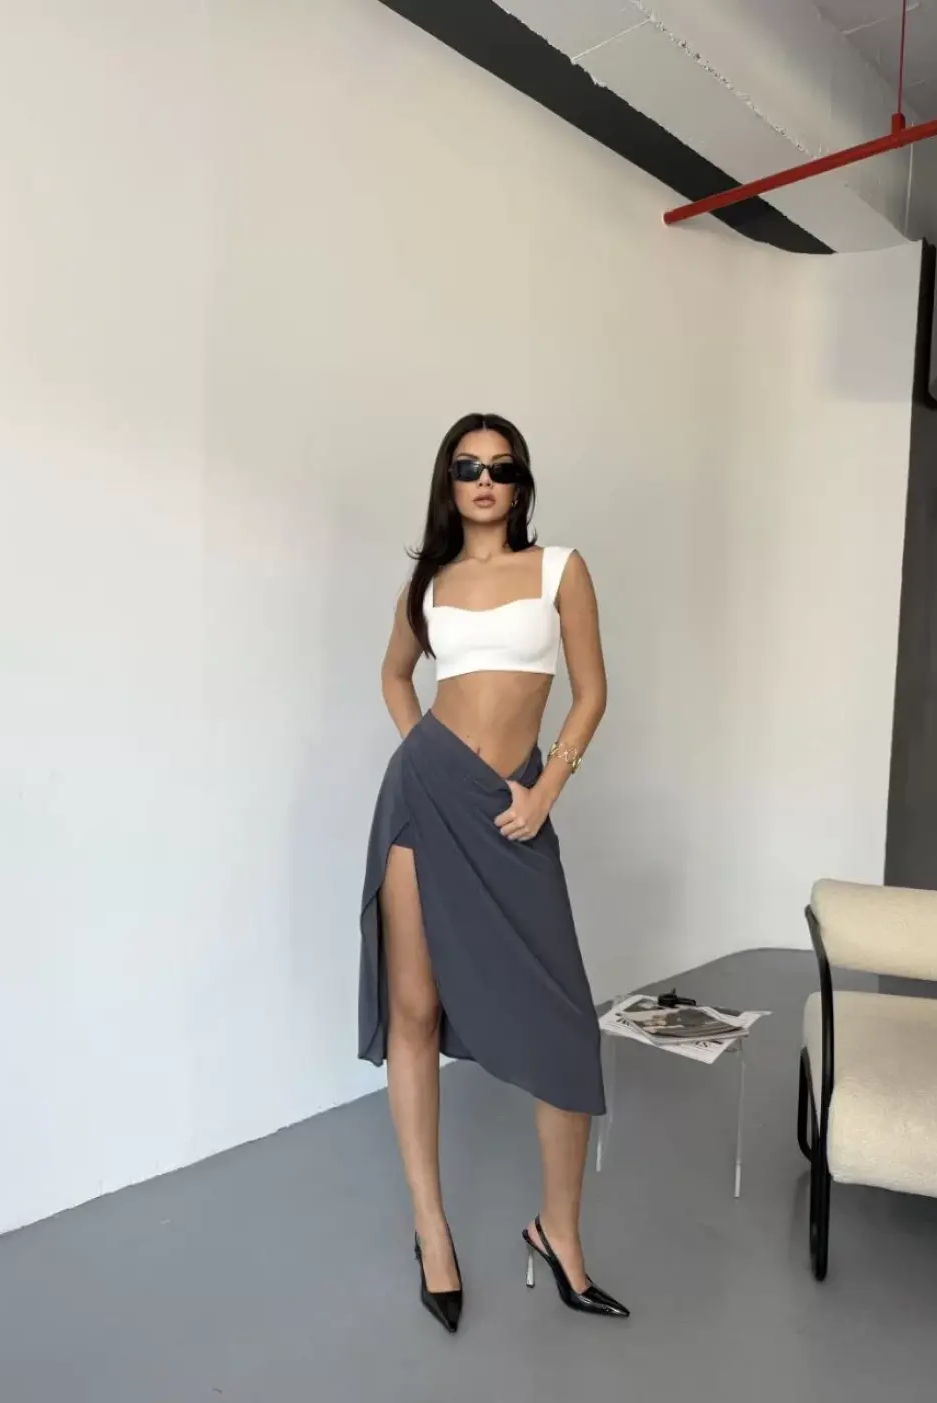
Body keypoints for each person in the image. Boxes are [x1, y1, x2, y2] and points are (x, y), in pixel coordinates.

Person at [358, 412, 628, 1334]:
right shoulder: (427, 584)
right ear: (449, 481)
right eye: (467, 466)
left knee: (563, 1022)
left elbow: (592, 691)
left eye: (501, 467)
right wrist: (426, 758)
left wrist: (547, 787)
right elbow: (396, 677)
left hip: (516, 804)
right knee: (416, 1007)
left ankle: (559, 1232)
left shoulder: (560, 570)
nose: (484, 479)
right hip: (424, 802)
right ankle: (432, 1228)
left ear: (520, 484)